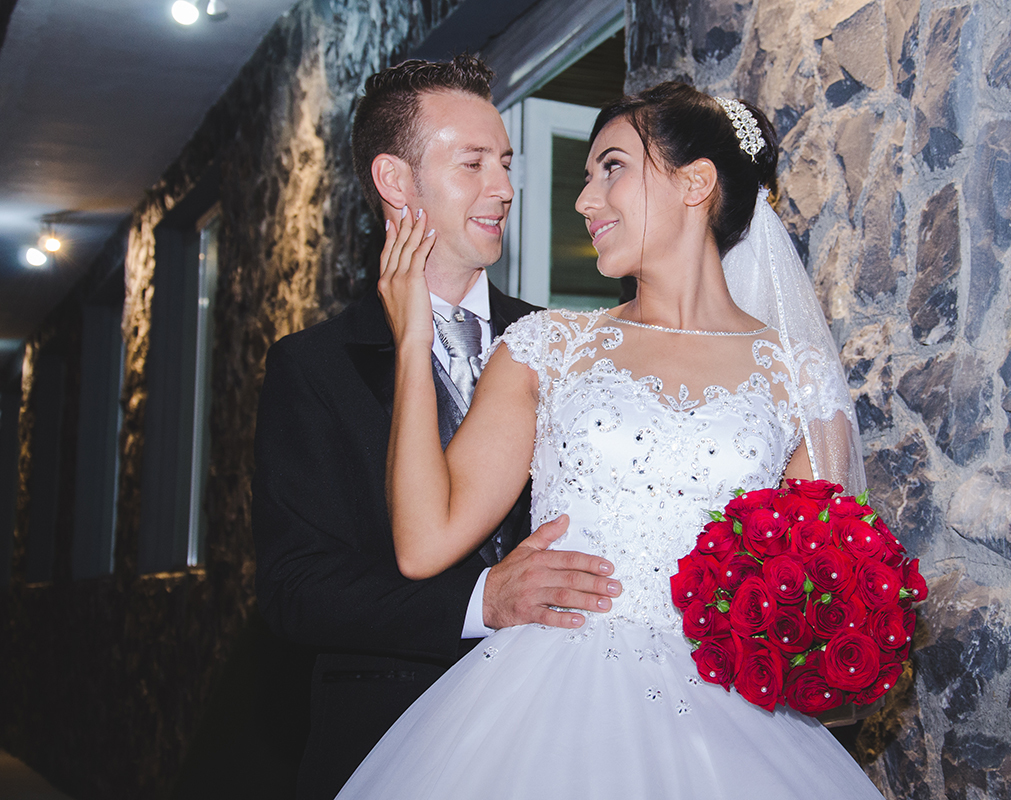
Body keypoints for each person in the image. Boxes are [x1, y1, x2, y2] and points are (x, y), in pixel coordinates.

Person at [335, 82, 884, 798]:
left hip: (727, 728)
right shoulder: (546, 348)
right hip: (545, 705)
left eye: (612, 168)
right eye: (588, 176)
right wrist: (411, 339)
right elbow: (424, 541)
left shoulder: (800, 378)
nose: (585, 201)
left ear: (696, 183)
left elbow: (819, 590)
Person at [251, 56, 623, 800]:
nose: (504, 188)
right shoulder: (313, 367)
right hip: (387, 736)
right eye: (473, 163)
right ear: (396, 180)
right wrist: (480, 601)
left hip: (560, 732)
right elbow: (296, 590)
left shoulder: (564, 345)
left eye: (506, 163)